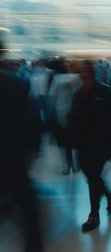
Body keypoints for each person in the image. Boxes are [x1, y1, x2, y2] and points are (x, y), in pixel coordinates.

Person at [66, 60, 111, 232]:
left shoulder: (104, 91)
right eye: (82, 71)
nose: (84, 74)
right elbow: (73, 117)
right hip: (83, 144)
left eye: (87, 71)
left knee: (93, 178)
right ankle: (109, 195)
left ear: (93, 72)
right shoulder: (78, 94)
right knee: (92, 177)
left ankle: (93, 215)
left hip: (100, 143)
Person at [0, 40, 43, 252]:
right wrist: (32, 148)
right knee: (25, 202)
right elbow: (31, 118)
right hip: (12, 153)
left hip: (10, 153)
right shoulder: (14, 82)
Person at [48, 59, 82, 174]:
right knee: (76, 139)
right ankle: (77, 165)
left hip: (61, 113)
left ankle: (67, 164)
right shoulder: (77, 78)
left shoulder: (56, 79)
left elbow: (52, 95)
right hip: (76, 113)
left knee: (63, 141)